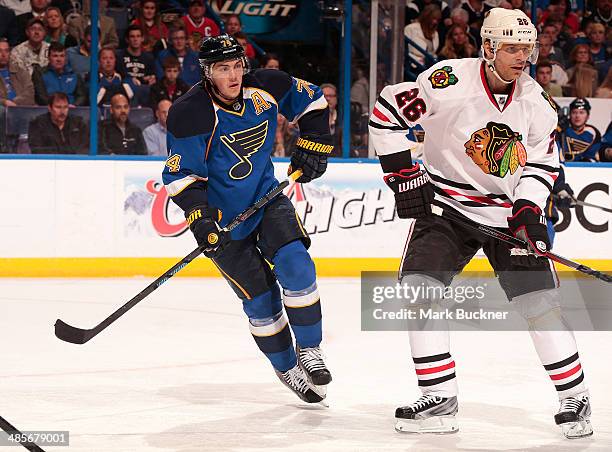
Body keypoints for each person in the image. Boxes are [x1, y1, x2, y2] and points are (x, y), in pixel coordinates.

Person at [369, 8, 592, 438]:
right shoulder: (447, 81)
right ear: (488, 47)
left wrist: (528, 210)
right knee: (420, 290)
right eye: (511, 48)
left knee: (538, 304)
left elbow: (544, 164)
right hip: (446, 206)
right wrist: (402, 176)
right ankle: (438, 397)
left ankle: (574, 397)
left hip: (506, 214)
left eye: (526, 49)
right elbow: (386, 114)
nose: (521, 57)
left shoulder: (537, 104)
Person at [162, 35, 333, 403]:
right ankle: (287, 366)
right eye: (223, 68)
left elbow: (315, 100)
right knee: (261, 301)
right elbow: (182, 177)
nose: (234, 75)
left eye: (237, 65)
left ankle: (310, 350)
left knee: (297, 265)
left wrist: (314, 142)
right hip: (224, 225)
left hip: (266, 199)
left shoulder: (267, 85)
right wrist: (201, 220)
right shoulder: (189, 112)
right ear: (207, 72)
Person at [32, 41, 87, 106]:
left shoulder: (74, 74)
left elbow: (82, 96)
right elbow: (40, 97)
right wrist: (58, 107)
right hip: (48, 110)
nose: (59, 59)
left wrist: (75, 105)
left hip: (72, 110)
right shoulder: (40, 73)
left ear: (66, 58)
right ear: (49, 58)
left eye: (62, 56)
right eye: (55, 56)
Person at [116, 25, 156, 106]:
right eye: (132, 36)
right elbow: (119, 77)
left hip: (144, 93)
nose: (135, 39)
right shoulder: (119, 56)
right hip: (125, 93)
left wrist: (152, 79)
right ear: (127, 39)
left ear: (142, 38)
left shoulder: (149, 58)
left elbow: (151, 77)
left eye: (138, 36)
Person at [0, 39, 34, 106]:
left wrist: (13, 103)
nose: (3, 54)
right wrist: (4, 102)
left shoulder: (21, 72)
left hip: (22, 108)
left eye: (6, 51)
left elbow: (30, 94)